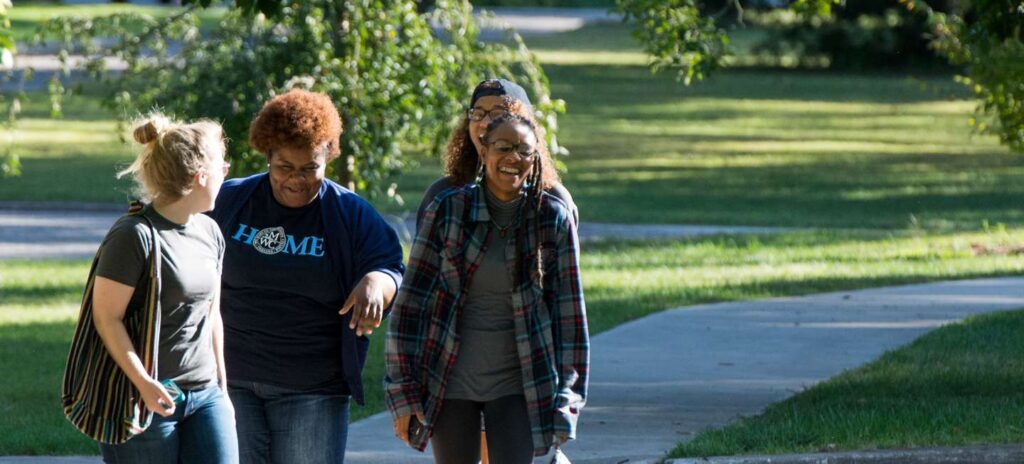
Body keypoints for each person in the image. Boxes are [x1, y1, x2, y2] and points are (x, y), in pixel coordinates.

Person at [208, 88, 405, 464]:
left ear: (328, 155)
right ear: (267, 157)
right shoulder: (230, 202)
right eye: (285, 167)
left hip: (312, 388)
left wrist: (376, 283)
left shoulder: (350, 214)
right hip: (228, 379)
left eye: (310, 168)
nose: (297, 179)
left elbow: (390, 265)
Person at [385, 113, 589, 463]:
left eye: (524, 151)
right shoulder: (448, 210)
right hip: (449, 381)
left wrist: (567, 400)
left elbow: (570, 321)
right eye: (503, 147)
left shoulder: (551, 217)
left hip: (519, 384)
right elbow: (410, 307)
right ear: (483, 151)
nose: (513, 158)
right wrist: (402, 393)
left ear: (535, 158)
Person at [92, 114, 236, 463]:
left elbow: (212, 315)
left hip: (205, 394)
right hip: (142, 396)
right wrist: (143, 382)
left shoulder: (209, 232)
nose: (227, 172)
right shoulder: (134, 235)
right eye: (222, 166)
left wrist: (223, 389)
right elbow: (107, 318)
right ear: (201, 177)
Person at [415, 78, 578, 232]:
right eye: (478, 114)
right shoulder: (441, 195)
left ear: (523, 129)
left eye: (498, 114)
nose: (484, 123)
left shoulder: (554, 200)